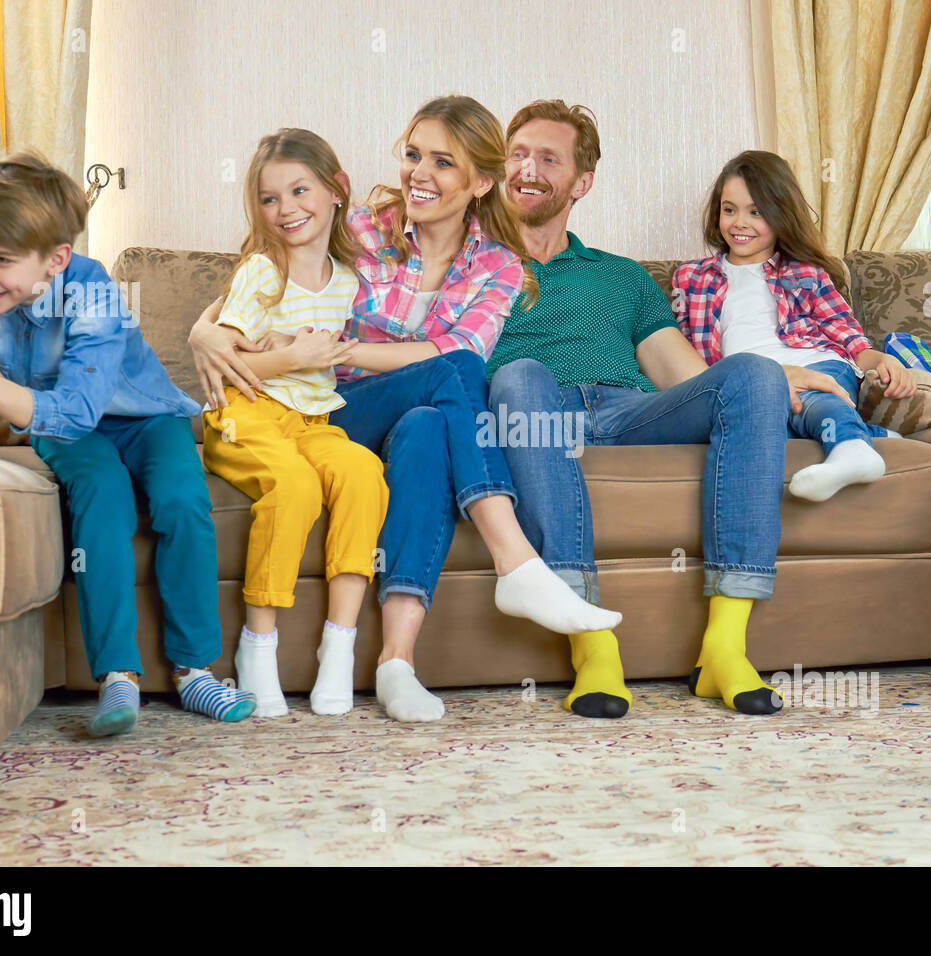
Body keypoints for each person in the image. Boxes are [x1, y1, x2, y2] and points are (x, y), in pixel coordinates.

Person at [188, 96, 621, 722]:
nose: (419, 172)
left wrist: (349, 345)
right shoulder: (364, 228)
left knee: (429, 418)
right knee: (455, 373)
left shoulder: (499, 265)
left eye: (444, 162)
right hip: (332, 411)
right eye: (414, 154)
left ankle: (396, 662)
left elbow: (460, 348)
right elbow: (261, 276)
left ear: (481, 182)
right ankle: (514, 559)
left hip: (412, 418)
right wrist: (205, 331)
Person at [487, 101, 852, 719]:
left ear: (581, 183)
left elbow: (684, 374)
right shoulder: (473, 268)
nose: (527, 168)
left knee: (754, 375)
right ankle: (593, 647)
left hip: (627, 413)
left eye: (548, 158)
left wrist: (775, 373)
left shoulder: (623, 277)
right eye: (518, 154)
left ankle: (724, 650)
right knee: (522, 375)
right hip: (532, 413)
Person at [0, 153, 255, 736]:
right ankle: (117, 674)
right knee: (102, 495)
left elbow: (79, 408)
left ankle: (196, 671)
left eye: (2, 259)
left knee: (182, 499)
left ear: (57, 259)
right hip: (64, 431)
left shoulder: (93, 293)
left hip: (145, 418)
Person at [202, 129, 389, 718]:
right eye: (269, 198)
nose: (286, 210)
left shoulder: (351, 281)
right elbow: (227, 355)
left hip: (312, 419)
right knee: (295, 486)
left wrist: (301, 350)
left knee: (362, 472)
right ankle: (256, 648)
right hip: (246, 411)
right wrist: (294, 354)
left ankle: (339, 647)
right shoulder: (263, 270)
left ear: (338, 192)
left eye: (299, 190)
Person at [672, 150, 913, 503]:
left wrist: (881, 361)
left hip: (816, 364)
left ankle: (851, 449)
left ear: (781, 215)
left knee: (812, 400)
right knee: (755, 427)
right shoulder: (692, 277)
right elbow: (683, 349)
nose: (740, 222)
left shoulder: (806, 273)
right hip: (750, 380)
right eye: (729, 209)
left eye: (756, 212)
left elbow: (846, 335)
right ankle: (870, 436)